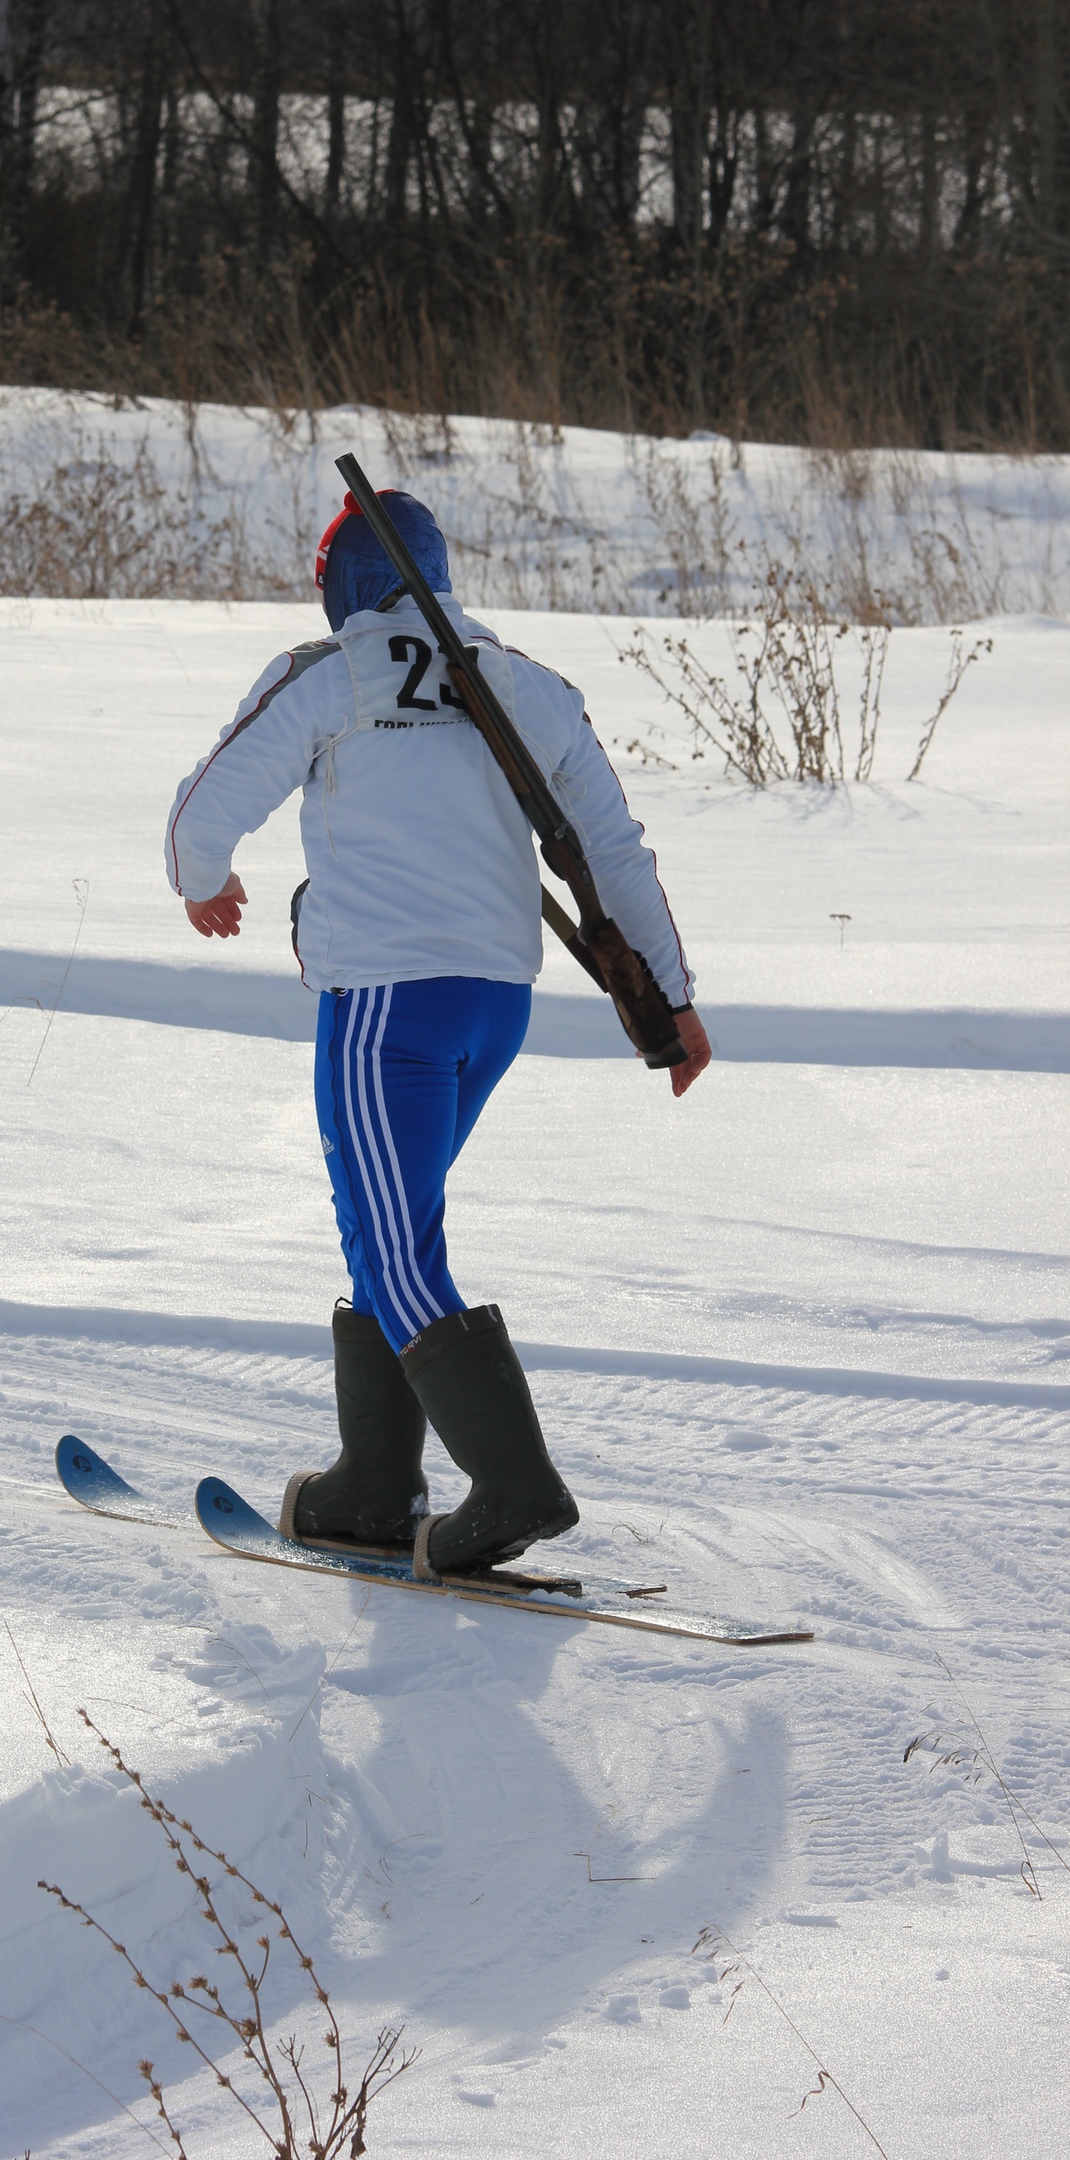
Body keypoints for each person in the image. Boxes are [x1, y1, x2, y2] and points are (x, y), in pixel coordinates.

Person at [165, 487, 710, 1580]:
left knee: (394, 1244)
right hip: (494, 1005)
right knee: (391, 1224)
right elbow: (613, 851)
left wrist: (203, 883)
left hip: (382, 1009)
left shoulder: (333, 675)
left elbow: (201, 818)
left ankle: (513, 1485)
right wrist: (676, 1003)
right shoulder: (525, 685)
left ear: (338, 582)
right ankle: (371, 1487)